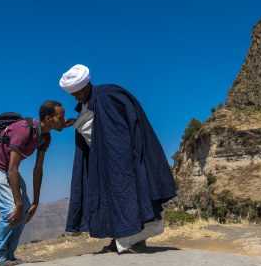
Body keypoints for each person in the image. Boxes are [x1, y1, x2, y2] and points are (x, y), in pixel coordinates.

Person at [60, 65, 177, 254]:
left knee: (129, 198)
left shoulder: (109, 94)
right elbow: (96, 132)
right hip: (108, 164)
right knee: (112, 200)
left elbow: (121, 131)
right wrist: (77, 123)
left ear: (87, 85)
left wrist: (123, 161)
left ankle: (134, 241)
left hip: (122, 162)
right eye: (72, 94)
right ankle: (122, 239)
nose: (75, 97)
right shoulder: (89, 103)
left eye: (77, 92)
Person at [0, 101, 66, 266]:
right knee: (11, 209)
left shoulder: (45, 137)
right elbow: (13, 168)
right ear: (48, 118)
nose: (64, 121)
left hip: (7, 169)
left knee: (24, 210)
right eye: (60, 118)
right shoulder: (24, 130)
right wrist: (18, 203)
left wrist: (35, 202)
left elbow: (38, 169)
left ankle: (8, 257)